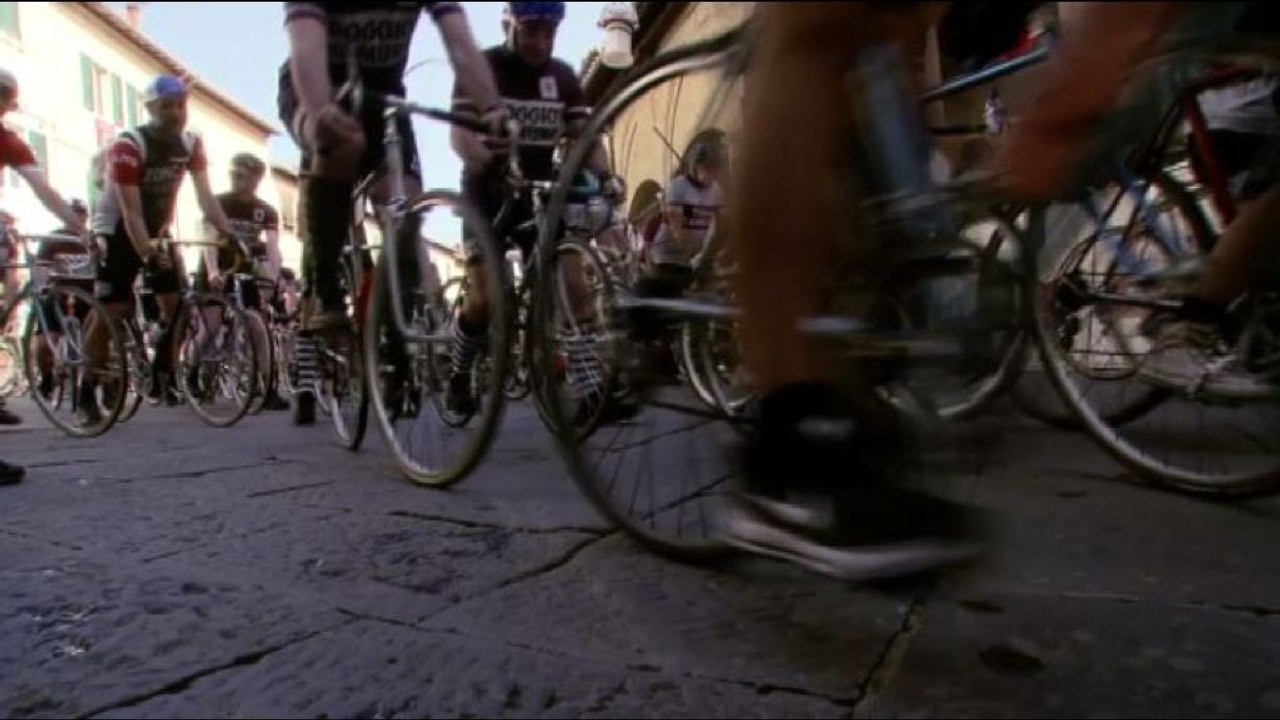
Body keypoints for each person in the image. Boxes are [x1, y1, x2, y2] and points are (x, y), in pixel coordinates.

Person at [279, 0, 506, 426]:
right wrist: (321, 109)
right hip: (317, 84)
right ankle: (325, 285)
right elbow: (305, 43)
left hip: (384, 98)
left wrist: (490, 108)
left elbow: (459, 42)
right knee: (340, 144)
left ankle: (392, 332)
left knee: (407, 209)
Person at [447, 0, 624, 419]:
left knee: (572, 285)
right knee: (485, 299)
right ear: (508, 23)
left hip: (540, 191)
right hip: (487, 190)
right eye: (531, 30)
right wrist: (485, 162)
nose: (541, 42)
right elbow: (460, 135)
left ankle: (591, 391)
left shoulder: (561, 76)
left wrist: (605, 177)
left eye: (550, 31)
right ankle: (459, 373)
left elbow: (586, 140)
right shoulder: (483, 68)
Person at [82, 74, 239, 423]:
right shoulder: (129, 146)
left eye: (181, 106)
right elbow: (131, 212)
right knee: (114, 309)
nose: (176, 113)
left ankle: (161, 373)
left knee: (178, 307)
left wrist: (229, 236)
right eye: (167, 107)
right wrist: (148, 253)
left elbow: (206, 198)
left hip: (158, 228)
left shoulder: (191, 144)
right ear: (151, 109)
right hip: (118, 228)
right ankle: (86, 388)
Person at [0, 68, 88, 428]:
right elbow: (44, 191)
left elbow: (44, 190)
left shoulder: (10, 142)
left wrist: (77, 229)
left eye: (4, 97)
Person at [196, 152, 290, 411]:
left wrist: (273, 277)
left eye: (241, 175)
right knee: (210, 327)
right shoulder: (219, 203)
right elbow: (209, 237)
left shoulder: (266, 211)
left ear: (256, 179)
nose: (234, 179)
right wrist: (213, 270)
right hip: (216, 265)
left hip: (244, 268)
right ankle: (190, 371)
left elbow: (272, 248)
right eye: (232, 174)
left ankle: (267, 387)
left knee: (259, 328)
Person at [31, 199, 94, 401]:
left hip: (87, 296)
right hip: (56, 296)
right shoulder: (53, 239)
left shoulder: (92, 239)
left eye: (81, 213)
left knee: (99, 338)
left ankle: (103, 384)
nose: (78, 217)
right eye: (73, 212)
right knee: (44, 343)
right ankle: (46, 378)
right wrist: (42, 291)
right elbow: (41, 270)